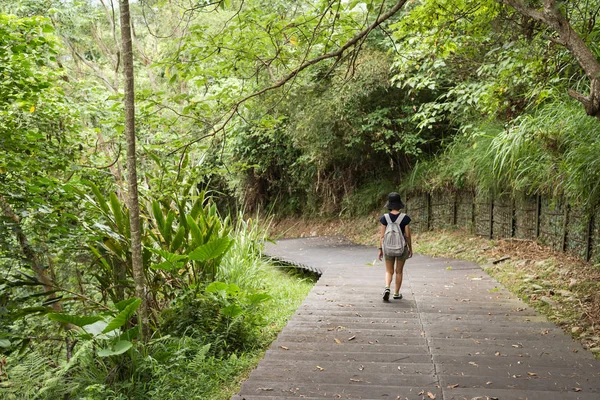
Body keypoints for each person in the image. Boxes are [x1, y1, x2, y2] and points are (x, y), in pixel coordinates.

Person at [378, 192, 412, 301]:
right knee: (399, 271)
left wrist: (381, 249)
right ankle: (396, 293)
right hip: (401, 248)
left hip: (388, 248)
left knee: (389, 271)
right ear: (399, 204)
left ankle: (387, 287)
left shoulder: (385, 218)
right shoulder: (405, 218)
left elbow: (382, 236)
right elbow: (407, 235)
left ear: (389, 204)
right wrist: (410, 248)